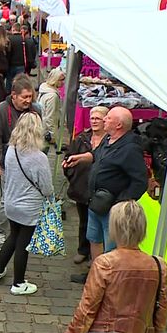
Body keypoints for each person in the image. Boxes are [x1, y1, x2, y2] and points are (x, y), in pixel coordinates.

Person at [63, 106, 148, 283]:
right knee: (94, 239)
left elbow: (140, 182)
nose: (104, 120)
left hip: (112, 209)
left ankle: (108, 280)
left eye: (108, 118)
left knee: (110, 246)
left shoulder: (130, 149)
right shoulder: (108, 138)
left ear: (118, 125)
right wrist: (80, 158)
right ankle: (96, 274)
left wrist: (120, 203)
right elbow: (96, 155)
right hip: (95, 202)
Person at [65, 200, 167, 333]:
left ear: (114, 227)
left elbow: (87, 310)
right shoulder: (159, 266)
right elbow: (161, 310)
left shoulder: (105, 263)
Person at [0, 112, 53, 295]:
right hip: (29, 208)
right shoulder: (39, 158)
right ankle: (18, 283)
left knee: (13, 237)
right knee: (23, 244)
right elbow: (47, 188)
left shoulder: (11, 150)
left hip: (11, 203)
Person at [0, 74, 42, 251]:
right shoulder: (1, 110)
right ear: (14, 95)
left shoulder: (36, 110)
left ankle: (23, 230)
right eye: (24, 97)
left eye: (30, 97)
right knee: (7, 199)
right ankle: (0, 232)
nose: (28, 100)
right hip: (8, 161)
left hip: (30, 161)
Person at [63, 106, 109, 265]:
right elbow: (68, 157)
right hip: (82, 187)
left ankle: (96, 253)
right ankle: (83, 250)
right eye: (92, 118)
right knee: (84, 221)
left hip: (101, 190)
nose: (94, 121)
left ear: (105, 120)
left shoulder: (109, 141)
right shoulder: (81, 138)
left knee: (99, 223)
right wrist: (72, 175)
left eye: (98, 118)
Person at [7, 23, 37, 93]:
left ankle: (9, 96)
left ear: (13, 29)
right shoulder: (24, 40)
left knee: (9, 82)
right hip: (21, 64)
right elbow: (28, 53)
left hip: (10, 65)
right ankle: (18, 94)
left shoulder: (9, 39)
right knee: (20, 83)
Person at [38, 68, 65, 144]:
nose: (63, 82)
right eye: (61, 80)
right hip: (45, 130)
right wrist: (52, 135)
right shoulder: (53, 96)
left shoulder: (44, 88)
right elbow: (50, 116)